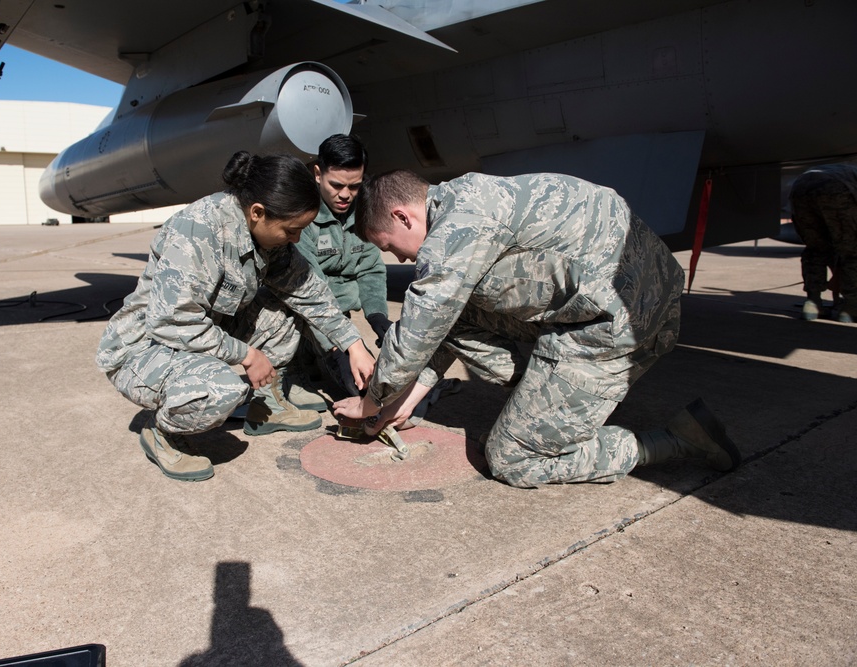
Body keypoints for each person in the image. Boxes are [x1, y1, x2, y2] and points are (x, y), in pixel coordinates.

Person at [334, 169, 741, 489]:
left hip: (617, 327)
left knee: (513, 458)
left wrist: (371, 403)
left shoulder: (455, 230)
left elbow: (421, 324)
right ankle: (547, 399)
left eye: (389, 247)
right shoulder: (469, 195)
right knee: (458, 303)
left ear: (402, 216)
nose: (400, 260)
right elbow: (445, 320)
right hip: (632, 297)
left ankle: (678, 440)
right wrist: (406, 398)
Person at [97, 152, 376, 482]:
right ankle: (162, 432)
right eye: (291, 230)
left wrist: (353, 345)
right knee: (222, 390)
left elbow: (307, 290)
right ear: (258, 212)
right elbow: (172, 321)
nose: (296, 239)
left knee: (287, 313)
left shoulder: (264, 229)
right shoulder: (196, 232)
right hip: (145, 349)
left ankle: (264, 405)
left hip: (204, 331)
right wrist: (247, 355)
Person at [288, 134, 390, 402]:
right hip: (307, 309)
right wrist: (340, 348)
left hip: (339, 315)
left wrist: (378, 316)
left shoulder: (362, 212)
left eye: (354, 186)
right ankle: (293, 366)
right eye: (337, 185)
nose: (345, 195)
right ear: (318, 174)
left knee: (372, 382)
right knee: (354, 377)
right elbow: (311, 291)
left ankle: (313, 355)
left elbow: (370, 269)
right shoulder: (301, 214)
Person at [788, 163, 857, 323]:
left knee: (815, 249)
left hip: (800, 187)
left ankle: (813, 303)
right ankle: (852, 307)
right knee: (852, 252)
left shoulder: (847, 169)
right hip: (837, 188)